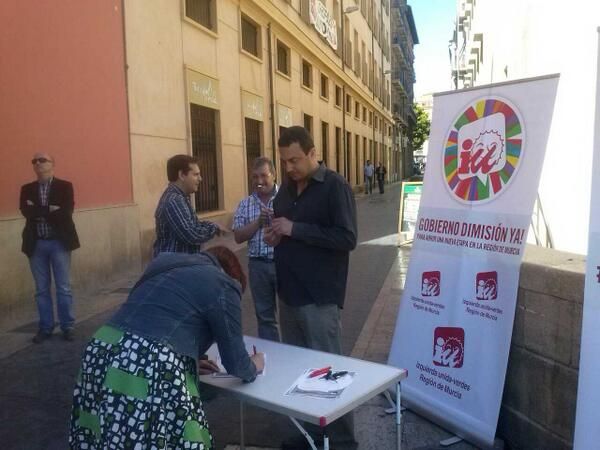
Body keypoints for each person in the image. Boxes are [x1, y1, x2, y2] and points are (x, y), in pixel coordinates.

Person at [69, 246, 265, 449]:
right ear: (233, 276)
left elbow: (150, 315)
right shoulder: (224, 284)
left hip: (100, 348)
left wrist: (185, 362)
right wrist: (255, 364)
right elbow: (237, 365)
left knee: (107, 434)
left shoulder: (163, 264)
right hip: (147, 360)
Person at [265, 126, 357, 355]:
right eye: (284, 161)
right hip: (288, 295)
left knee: (326, 372)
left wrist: (295, 229)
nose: (288, 167)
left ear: (312, 153)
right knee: (294, 370)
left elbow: (347, 238)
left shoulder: (335, 186)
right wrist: (275, 238)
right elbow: (284, 230)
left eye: (294, 160)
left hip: (319, 298)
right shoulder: (285, 188)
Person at [20, 152, 80, 343]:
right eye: (34, 161)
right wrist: (50, 210)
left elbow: (66, 212)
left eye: (42, 160)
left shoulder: (65, 186)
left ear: (52, 164)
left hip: (59, 243)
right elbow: (26, 212)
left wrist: (38, 211)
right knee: (41, 289)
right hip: (36, 243)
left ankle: (67, 326)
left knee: (63, 287)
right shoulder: (27, 189)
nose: (37, 163)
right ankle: (45, 327)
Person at [233, 157, 280, 341]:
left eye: (264, 176)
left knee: (292, 314)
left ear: (274, 175)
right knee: (265, 317)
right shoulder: (245, 204)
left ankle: (294, 355)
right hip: (258, 266)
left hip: (283, 263)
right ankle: (273, 354)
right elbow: (238, 236)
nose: (259, 181)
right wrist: (258, 222)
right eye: (255, 177)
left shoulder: (286, 198)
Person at [153, 154, 226, 257]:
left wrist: (212, 225)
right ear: (182, 175)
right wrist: (213, 228)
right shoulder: (174, 201)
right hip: (174, 267)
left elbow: (192, 225)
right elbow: (192, 234)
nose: (200, 179)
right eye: (196, 174)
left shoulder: (179, 198)